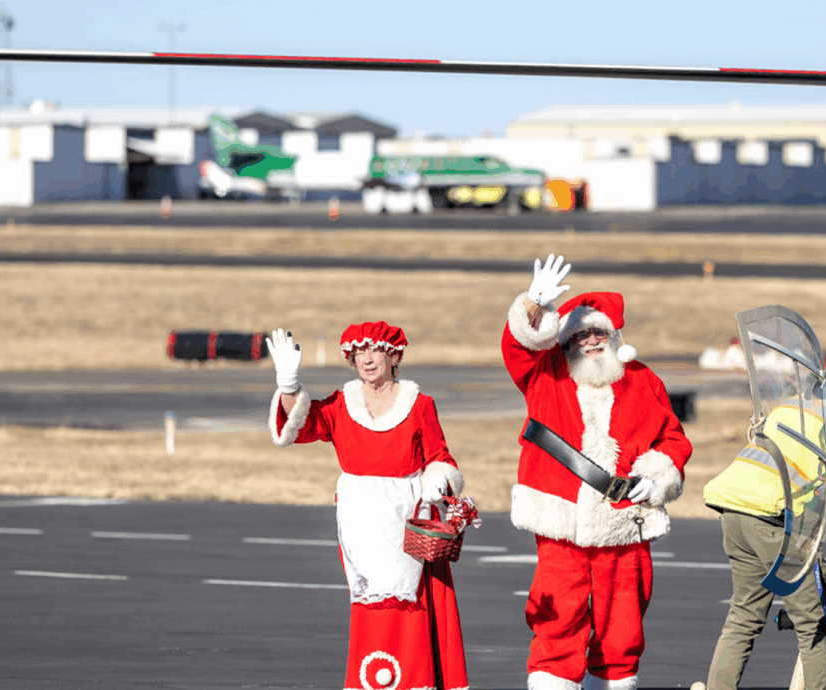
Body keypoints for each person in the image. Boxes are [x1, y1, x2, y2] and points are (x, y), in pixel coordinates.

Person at [503, 254, 693, 690]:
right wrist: (533, 305)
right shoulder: (545, 374)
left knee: (622, 626)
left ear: (613, 336)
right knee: (557, 618)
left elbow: (674, 438)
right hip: (561, 521)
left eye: (598, 332)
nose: (590, 341)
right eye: (581, 334)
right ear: (566, 340)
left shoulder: (642, 380)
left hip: (625, 519)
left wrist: (658, 473)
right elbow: (517, 346)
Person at [267, 321, 469, 690]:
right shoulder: (343, 404)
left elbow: (441, 457)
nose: (366, 359)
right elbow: (301, 426)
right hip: (361, 523)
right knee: (369, 605)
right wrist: (289, 386)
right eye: (359, 353)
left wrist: (439, 479)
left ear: (394, 356)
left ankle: (414, 681)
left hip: (407, 523)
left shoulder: (420, 405)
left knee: (411, 606)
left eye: (374, 350)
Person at [703, 400, 826, 690]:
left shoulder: (792, 405)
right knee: (813, 625)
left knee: (743, 616)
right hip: (773, 519)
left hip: (736, 511)